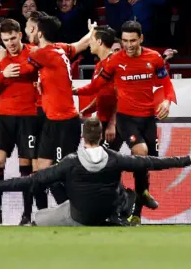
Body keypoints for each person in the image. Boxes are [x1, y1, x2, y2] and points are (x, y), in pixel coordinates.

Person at [0, 118, 191, 226]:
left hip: (79, 216)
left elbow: (32, 180)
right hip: (108, 211)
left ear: (82, 137)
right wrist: (187, 159)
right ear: (100, 136)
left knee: (40, 218)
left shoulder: (70, 161)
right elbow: (153, 162)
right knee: (128, 193)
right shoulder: (116, 158)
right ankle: (117, 216)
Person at [73, 20, 176, 225]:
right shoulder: (114, 62)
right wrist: (73, 91)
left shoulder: (154, 58)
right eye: (125, 41)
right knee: (140, 152)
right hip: (125, 118)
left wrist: (167, 100)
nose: (128, 45)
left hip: (148, 119)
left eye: (133, 41)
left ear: (141, 39)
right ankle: (134, 197)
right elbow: (97, 86)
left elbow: (166, 83)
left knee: (146, 164)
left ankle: (138, 209)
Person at [4, 12, 91, 204]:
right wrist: (91, 32)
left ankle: (76, 210)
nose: (26, 32)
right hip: (53, 121)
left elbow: (21, 71)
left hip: (65, 123)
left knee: (61, 173)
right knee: (43, 171)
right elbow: (81, 44)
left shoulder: (43, 54)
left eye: (27, 27)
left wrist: (4, 68)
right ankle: (62, 210)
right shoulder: (59, 49)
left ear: (37, 31)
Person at [0, 18, 38, 226]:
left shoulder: (32, 52)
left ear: (20, 35)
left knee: (25, 166)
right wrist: (3, 74)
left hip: (28, 116)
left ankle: (26, 215)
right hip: (4, 117)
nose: (10, 43)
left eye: (13, 38)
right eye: (6, 40)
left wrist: (6, 67)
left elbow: (26, 70)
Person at [78, 26, 123, 151]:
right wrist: (84, 111)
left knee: (108, 161)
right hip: (102, 121)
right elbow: (101, 95)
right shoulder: (99, 65)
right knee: (97, 160)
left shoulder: (113, 63)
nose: (89, 43)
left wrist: (112, 124)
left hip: (115, 122)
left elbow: (120, 96)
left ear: (99, 42)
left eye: (91, 39)